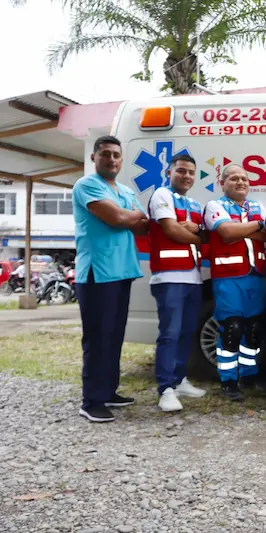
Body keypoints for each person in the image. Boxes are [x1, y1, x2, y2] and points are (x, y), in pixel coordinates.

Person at [72, 135, 149, 423]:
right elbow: (117, 218)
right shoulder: (87, 185)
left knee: (114, 336)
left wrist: (129, 216)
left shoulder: (126, 190)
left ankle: (108, 391)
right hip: (98, 274)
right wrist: (131, 215)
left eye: (116, 154)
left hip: (122, 272)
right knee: (97, 336)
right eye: (105, 154)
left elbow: (142, 227)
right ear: (94, 158)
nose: (112, 159)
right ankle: (91, 401)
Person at [147, 154, 207, 412]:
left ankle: (179, 379)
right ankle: (165, 389)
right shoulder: (161, 195)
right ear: (169, 172)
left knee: (186, 331)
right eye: (181, 171)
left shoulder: (193, 203)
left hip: (193, 278)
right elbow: (171, 229)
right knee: (169, 334)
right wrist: (196, 237)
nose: (186, 176)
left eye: (191, 172)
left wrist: (196, 231)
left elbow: (203, 229)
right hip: (168, 277)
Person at [204, 164, 266, 401]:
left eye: (244, 178)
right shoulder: (215, 205)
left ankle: (249, 376)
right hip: (228, 276)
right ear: (223, 183)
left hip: (256, 275)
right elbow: (226, 233)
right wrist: (254, 226)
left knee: (253, 329)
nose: (240, 182)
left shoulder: (257, 205)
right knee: (232, 328)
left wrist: (240, 230)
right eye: (233, 178)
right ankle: (228, 380)